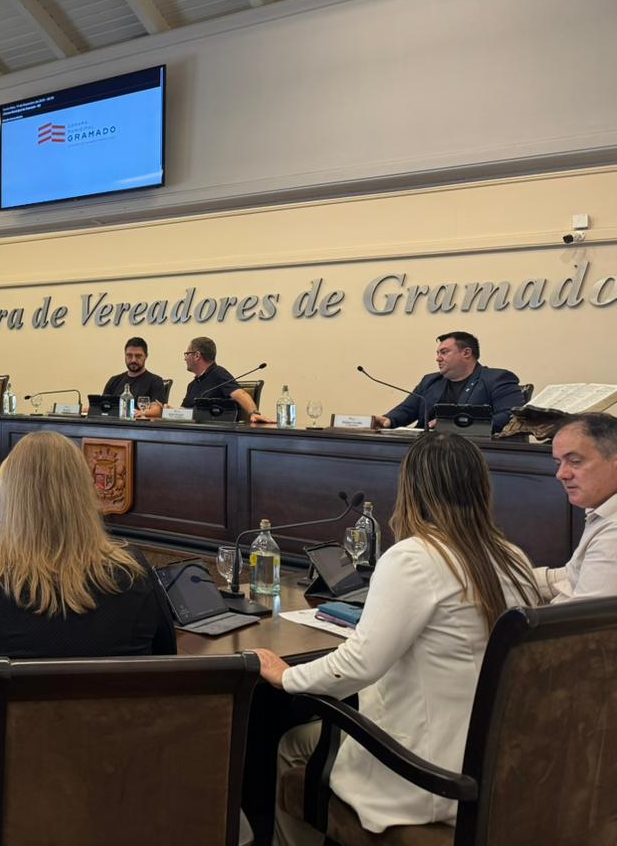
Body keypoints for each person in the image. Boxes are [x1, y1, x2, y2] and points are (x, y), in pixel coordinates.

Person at [254, 433, 540, 845]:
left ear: (412, 489)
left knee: (291, 744)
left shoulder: (414, 557)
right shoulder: (512, 557)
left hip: (426, 774)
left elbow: (357, 665)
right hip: (493, 766)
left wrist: (286, 676)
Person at [0, 430, 176, 845]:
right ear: (85, 493)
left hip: (4, 812)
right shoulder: (135, 574)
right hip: (117, 801)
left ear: (11, 500)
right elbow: (165, 661)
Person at [372, 331, 525, 433]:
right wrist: (389, 419)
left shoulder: (497, 379)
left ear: (466, 353)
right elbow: (407, 409)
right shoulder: (430, 381)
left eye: (444, 352)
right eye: (438, 353)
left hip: (472, 452)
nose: (438, 358)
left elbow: (511, 417)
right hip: (424, 449)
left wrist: (455, 424)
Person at [534, 412, 617, 601]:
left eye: (575, 462)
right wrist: (509, 577)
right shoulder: (602, 508)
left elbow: (589, 617)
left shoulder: (614, 534)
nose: (561, 474)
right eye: (558, 463)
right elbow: (574, 574)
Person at [142, 335, 257, 420]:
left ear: (197, 356)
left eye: (187, 354)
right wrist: (171, 410)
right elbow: (186, 411)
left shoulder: (218, 373)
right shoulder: (193, 384)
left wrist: (254, 413)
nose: (185, 358)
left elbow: (241, 394)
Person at [101, 336, 168, 405]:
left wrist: (138, 411)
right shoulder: (113, 381)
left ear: (146, 356)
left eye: (138, 356)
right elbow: (102, 406)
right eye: (129, 355)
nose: (133, 360)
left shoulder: (156, 382)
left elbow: (157, 409)